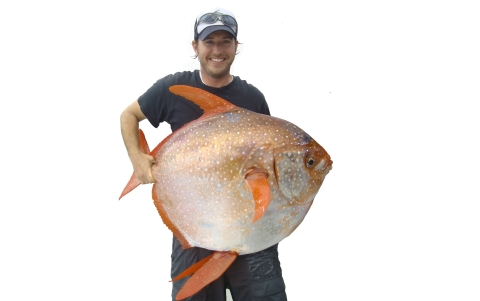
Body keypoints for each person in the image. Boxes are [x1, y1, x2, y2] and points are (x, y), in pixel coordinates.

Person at [120, 8, 288, 301]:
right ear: (195, 46)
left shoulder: (253, 99)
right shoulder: (171, 89)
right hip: (196, 227)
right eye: (209, 42)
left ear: (236, 47)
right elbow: (128, 116)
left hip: (248, 232)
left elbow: (265, 164)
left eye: (225, 42)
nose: (217, 50)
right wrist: (138, 159)